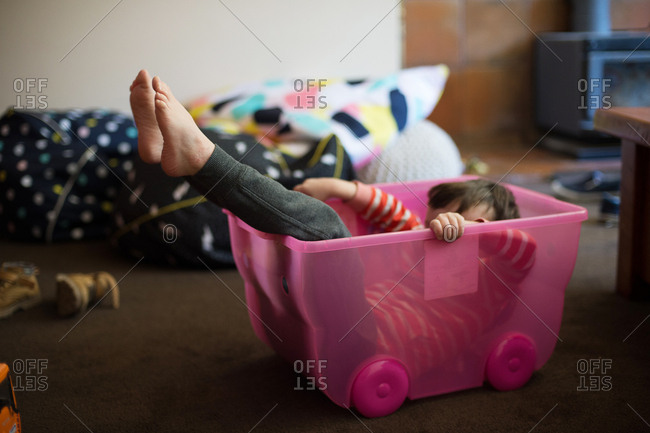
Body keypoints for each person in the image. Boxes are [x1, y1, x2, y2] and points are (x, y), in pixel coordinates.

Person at [129, 70, 519, 243]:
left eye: (460, 218)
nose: (437, 224)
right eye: (437, 215)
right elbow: (382, 203)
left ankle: (197, 157)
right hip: (347, 295)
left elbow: (522, 251)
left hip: (368, 306)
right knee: (288, 203)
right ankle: (185, 157)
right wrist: (337, 186)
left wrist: (472, 235)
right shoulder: (414, 233)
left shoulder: (492, 267)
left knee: (325, 224)